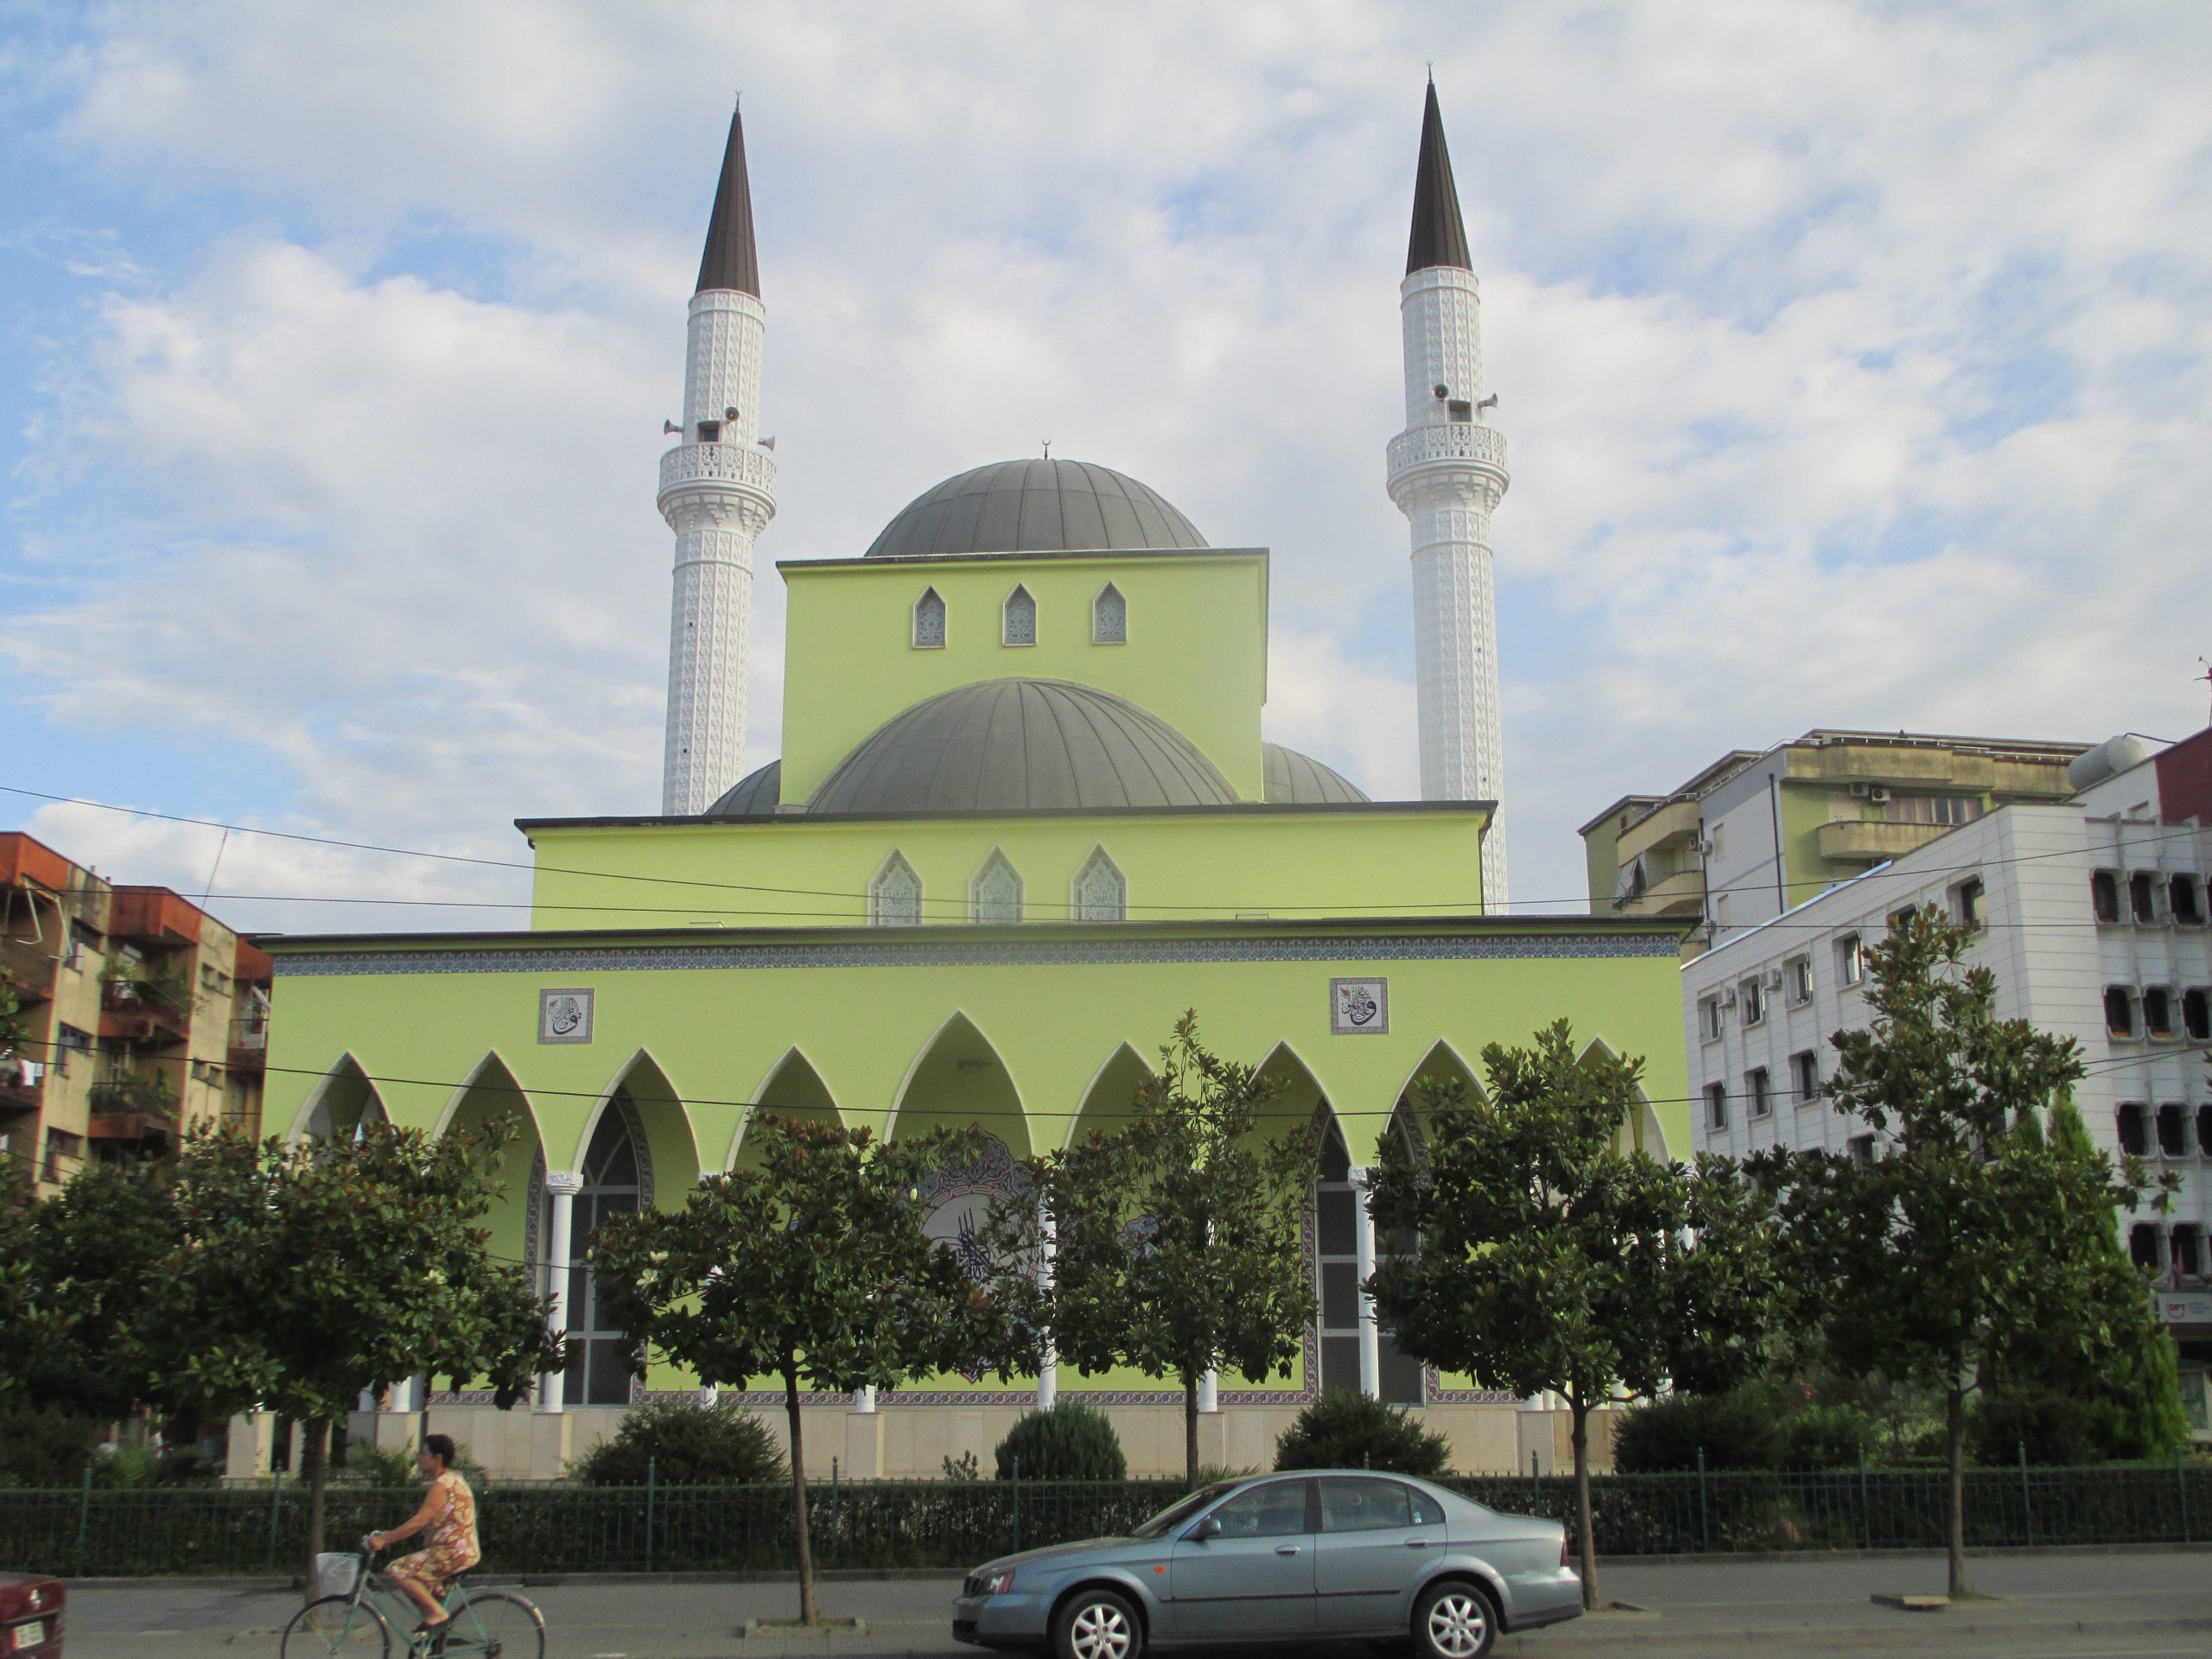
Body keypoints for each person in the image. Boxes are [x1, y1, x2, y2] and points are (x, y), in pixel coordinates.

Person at [368, 1434, 480, 1641]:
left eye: (423, 1454)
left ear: (437, 1458)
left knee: (398, 1569)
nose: (420, 1458)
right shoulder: (454, 1479)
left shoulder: (442, 1485)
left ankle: (438, 1615)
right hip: (460, 1552)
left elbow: (420, 1521)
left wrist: (386, 1539)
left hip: (450, 1553)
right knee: (424, 1592)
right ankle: (434, 1639)